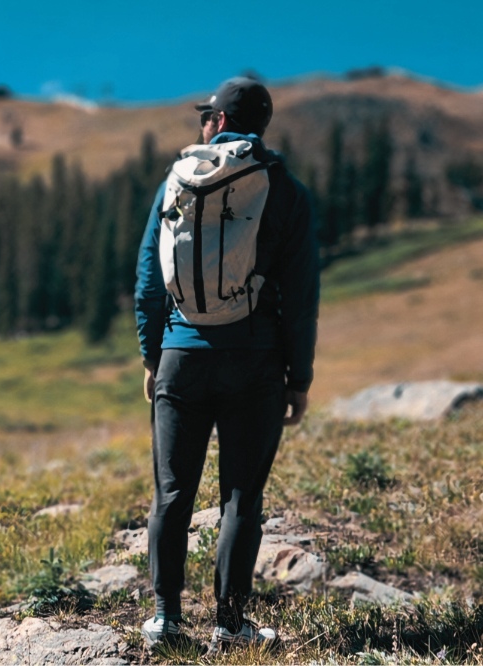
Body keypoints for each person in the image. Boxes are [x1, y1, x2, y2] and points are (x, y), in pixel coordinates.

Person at [134, 77, 319, 651]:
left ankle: (166, 620)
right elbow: (301, 296)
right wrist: (299, 378)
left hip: (180, 361)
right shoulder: (282, 189)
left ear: (216, 121)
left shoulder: (176, 181)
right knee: (240, 498)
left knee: (172, 493)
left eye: (205, 116)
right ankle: (231, 625)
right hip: (255, 364)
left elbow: (147, 283)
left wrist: (152, 354)